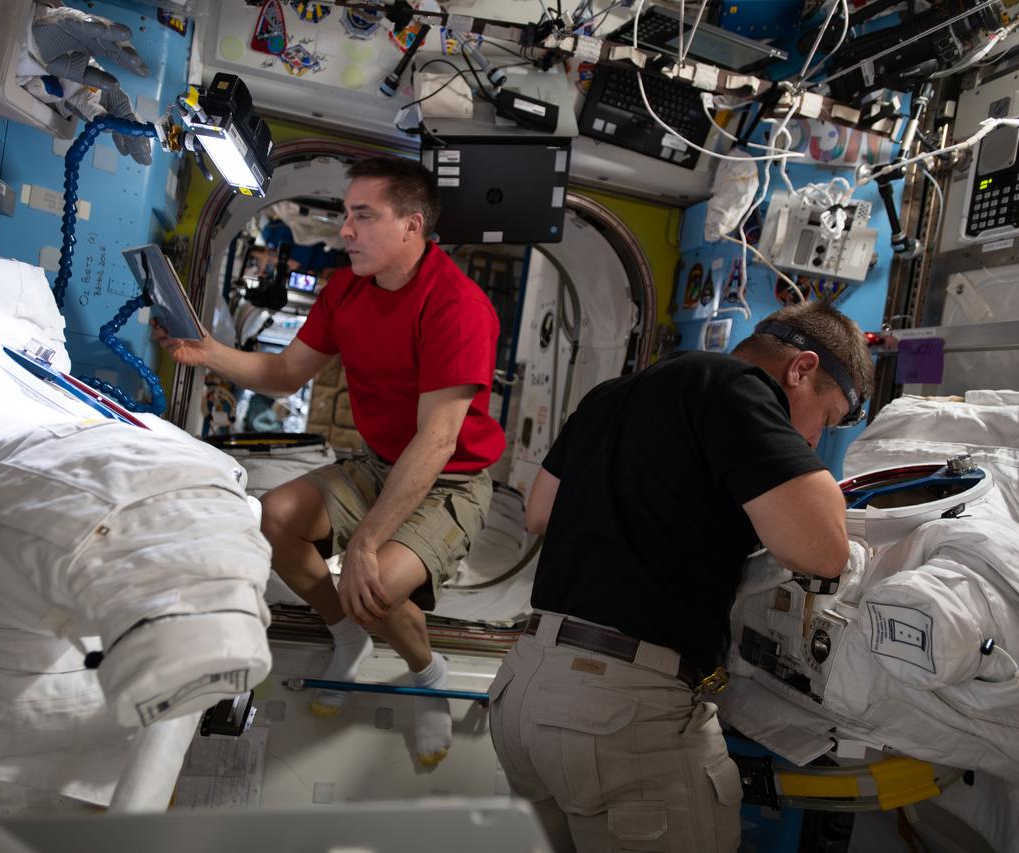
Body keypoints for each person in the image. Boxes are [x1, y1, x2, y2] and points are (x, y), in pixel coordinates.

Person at [155, 157, 505, 766]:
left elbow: (438, 440)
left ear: (411, 226)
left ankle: (428, 675)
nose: (344, 230)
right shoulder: (345, 288)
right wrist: (207, 352)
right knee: (272, 519)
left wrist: (366, 543)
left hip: (450, 479)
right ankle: (346, 635)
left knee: (372, 586)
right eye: (346, 215)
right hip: (380, 463)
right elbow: (286, 374)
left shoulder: (458, 307)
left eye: (363, 217)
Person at [488, 299, 873, 852]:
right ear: (802, 369)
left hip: (524, 690)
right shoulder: (738, 390)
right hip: (614, 710)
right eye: (827, 420)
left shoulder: (613, 395)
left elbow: (539, 512)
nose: (814, 440)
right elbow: (823, 552)